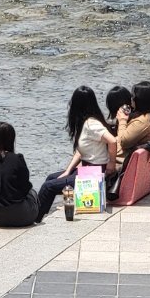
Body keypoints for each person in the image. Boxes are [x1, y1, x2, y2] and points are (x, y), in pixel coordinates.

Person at [34, 86, 117, 221]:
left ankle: (35, 218)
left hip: (94, 174)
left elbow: (112, 141)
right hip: (86, 170)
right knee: (51, 178)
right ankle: (40, 214)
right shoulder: (85, 123)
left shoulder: (92, 124)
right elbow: (81, 150)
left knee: (48, 187)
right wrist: (68, 170)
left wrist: (111, 164)